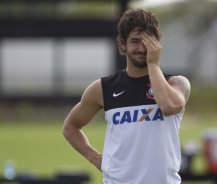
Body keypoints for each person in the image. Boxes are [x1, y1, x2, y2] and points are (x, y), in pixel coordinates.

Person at [63, 8, 191, 184]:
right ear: (122, 44)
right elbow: (71, 127)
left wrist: (153, 64)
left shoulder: (176, 83)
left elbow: (168, 106)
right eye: (135, 41)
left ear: (157, 43)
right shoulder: (103, 88)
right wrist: (95, 158)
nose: (141, 48)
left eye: (148, 41)